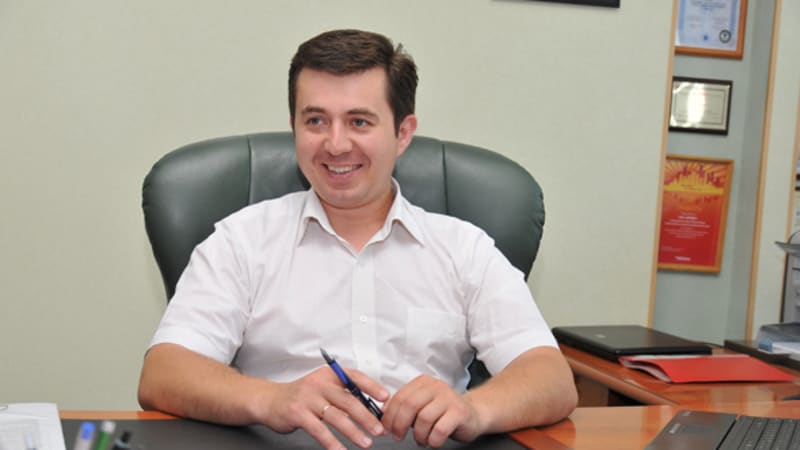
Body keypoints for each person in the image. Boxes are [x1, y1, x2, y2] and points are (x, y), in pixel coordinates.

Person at [137, 29, 577, 450]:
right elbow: (164, 373)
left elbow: (551, 379)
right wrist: (271, 400)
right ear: (294, 127)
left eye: (359, 121)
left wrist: (472, 410)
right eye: (315, 121)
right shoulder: (242, 240)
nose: (335, 144)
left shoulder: (464, 249)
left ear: (402, 133)